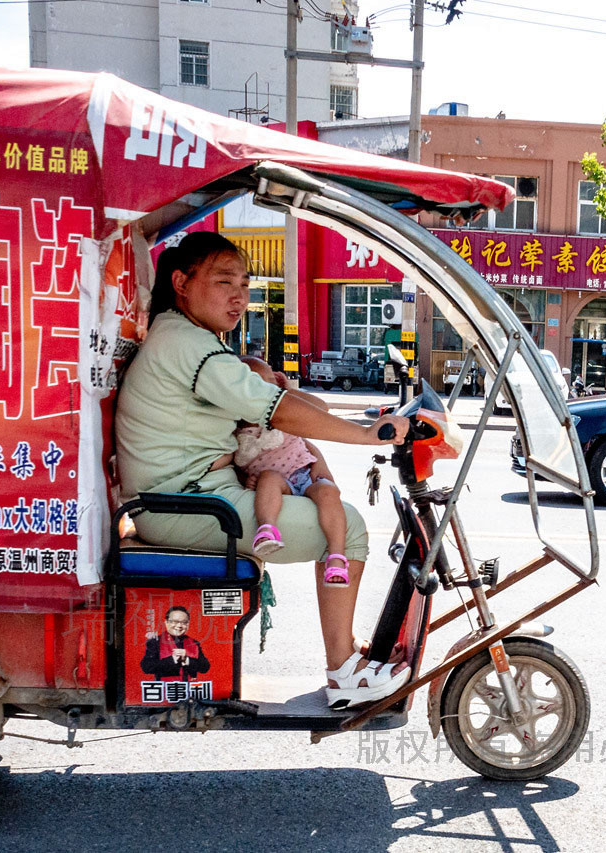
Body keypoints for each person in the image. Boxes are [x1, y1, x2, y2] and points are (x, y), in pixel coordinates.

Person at [115, 231, 411, 710]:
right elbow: (273, 408)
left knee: (322, 504)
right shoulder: (192, 347)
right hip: (189, 504)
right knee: (350, 527)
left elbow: (279, 398)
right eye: (223, 281)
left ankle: (344, 653)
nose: (239, 296)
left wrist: (361, 421)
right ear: (181, 282)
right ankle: (343, 669)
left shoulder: (187, 337)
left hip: (192, 495)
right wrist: (366, 434)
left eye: (246, 284)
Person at [234, 357, 351, 588]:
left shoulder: (281, 413)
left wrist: (286, 392)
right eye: (257, 384)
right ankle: (266, 529)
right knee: (268, 478)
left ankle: (336, 557)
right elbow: (232, 466)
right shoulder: (233, 427)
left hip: (305, 475)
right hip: (278, 483)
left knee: (328, 491)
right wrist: (245, 479)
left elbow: (320, 408)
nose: (265, 390)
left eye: (270, 383)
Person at [140, 606, 211, 681]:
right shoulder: (155, 641)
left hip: (189, 689)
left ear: (188, 624)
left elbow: (205, 667)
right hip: (166, 689)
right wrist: (173, 660)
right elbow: (146, 667)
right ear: (166, 622)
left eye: (184, 622)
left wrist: (186, 660)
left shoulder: (194, 643)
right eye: (175, 622)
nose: (179, 626)